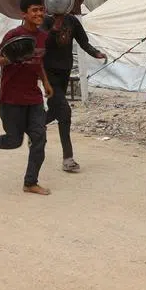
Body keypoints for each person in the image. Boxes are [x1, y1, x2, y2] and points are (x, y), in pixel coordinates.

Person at [0, 0, 54, 196]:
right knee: (13, 141)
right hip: (11, 98)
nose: (39, 13)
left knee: (39, 138)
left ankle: (30, 182)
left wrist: (45, 82)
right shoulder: (13, 35)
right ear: (24, 14)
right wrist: (11, 58)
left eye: (41, 9)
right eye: (34, 10)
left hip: (33, 98)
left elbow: (39, 62)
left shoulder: (43, 37)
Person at [41, 9, 105, 173]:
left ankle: (35, 125)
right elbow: (39, 43)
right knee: (65, 112)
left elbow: (83, 42)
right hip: (48, 74)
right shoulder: (45, 22)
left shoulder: (72, 22)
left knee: (56, 110)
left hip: (64, 72)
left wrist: (95, 53)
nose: (59, 17)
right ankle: (68, 158)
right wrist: (54, 27)